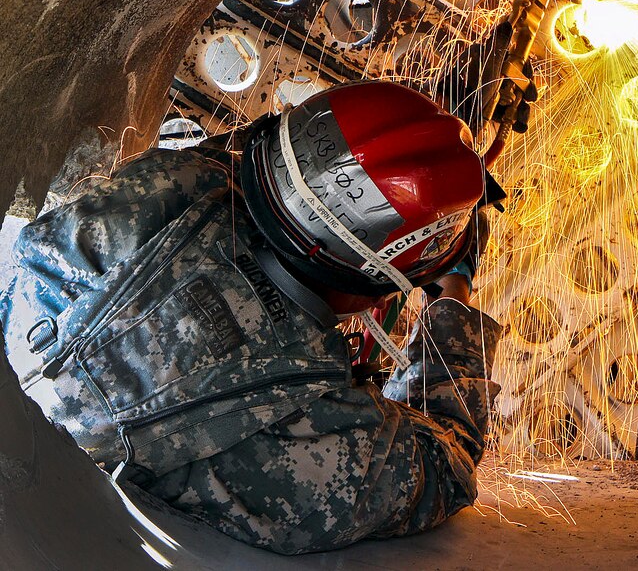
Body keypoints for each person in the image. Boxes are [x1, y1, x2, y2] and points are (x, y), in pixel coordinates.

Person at [0, 81, 505, 555]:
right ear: (375, 295)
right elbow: (444, 465)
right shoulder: (303, 438)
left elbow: (250, 157)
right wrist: (452, 301)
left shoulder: (158, 189)